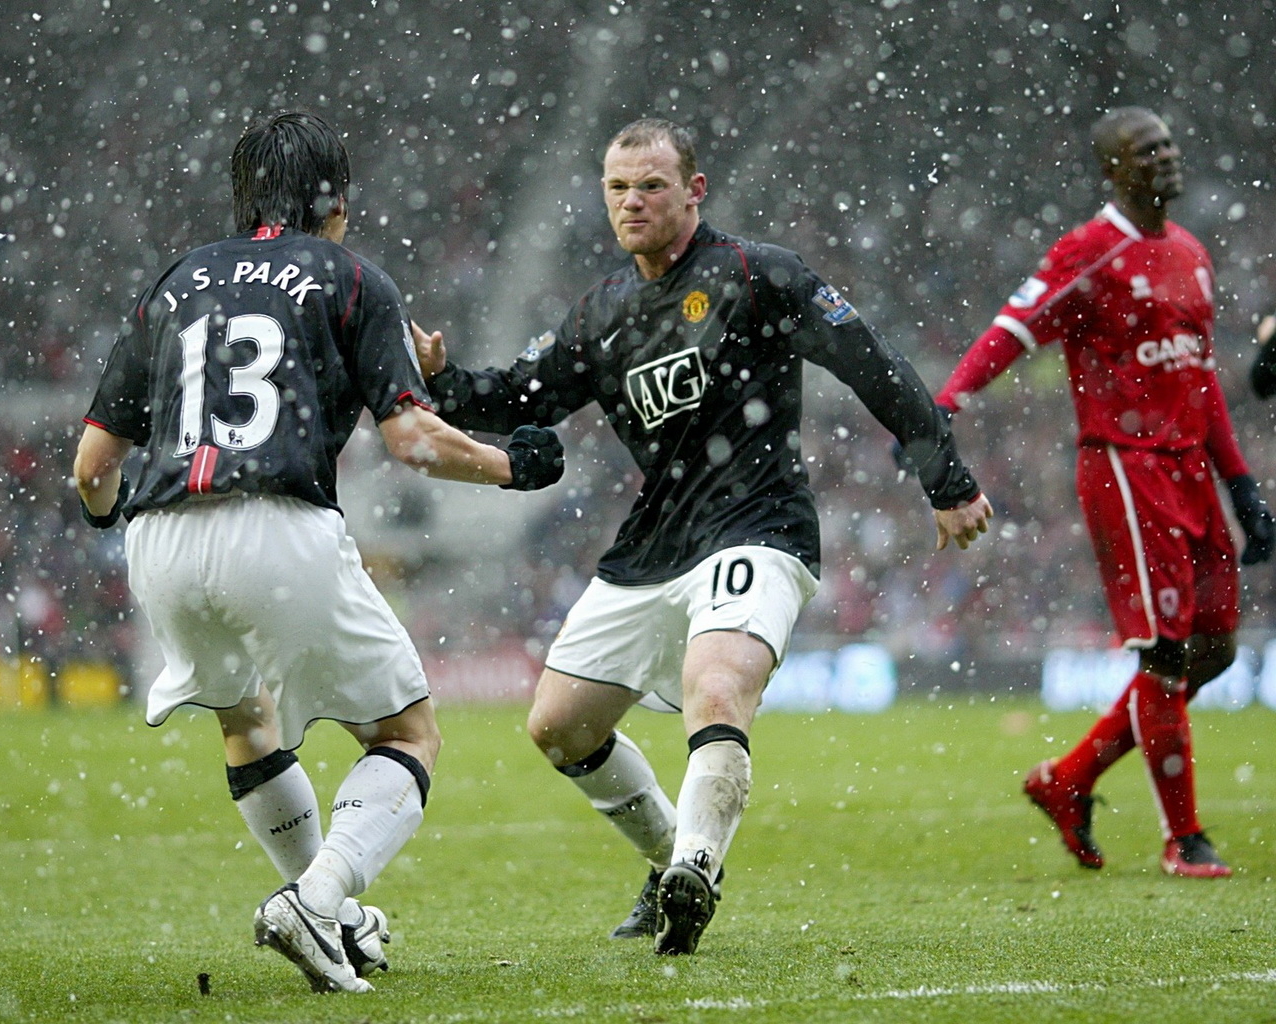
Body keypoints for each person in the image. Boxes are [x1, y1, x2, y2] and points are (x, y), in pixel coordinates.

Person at [414, 117, 994, 955]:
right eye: (617, 187)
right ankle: (668, 863)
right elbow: (516, 396)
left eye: (651, 184)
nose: (632, 202)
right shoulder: (604, 312)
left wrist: (945, 477)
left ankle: (698, 863)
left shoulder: (760, 276)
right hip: (654, 542)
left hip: (759, 524)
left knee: (715, 689)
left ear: (695, 191)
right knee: (557, 727)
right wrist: (445, 382)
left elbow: (873, 363)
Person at [73, 110, 564, 993]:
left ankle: (327, 918)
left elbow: (91, 471)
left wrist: (117, 521)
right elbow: (412, 441)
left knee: (245, 723)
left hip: (159, 537)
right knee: (408, 733)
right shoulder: (348, 275)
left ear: (243, 195)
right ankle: (319, 896)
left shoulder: (179, 281)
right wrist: (511, 463)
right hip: (277, 522)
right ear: (336, 202)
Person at [932, 106, 1273, 878]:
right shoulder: (1089, 250)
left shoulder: (1189, 252)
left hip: (1191, 469)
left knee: (1214, 650)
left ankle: (1070, 778)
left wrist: (1242, 484)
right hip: (1127, 467)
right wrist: (946, 404)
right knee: (1165, 655)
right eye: (1146, 150)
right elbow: (1013, 327)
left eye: (1170, 144)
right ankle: (1183, 839)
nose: (1166, 158)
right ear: (1114, 169)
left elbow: (1200, 374)